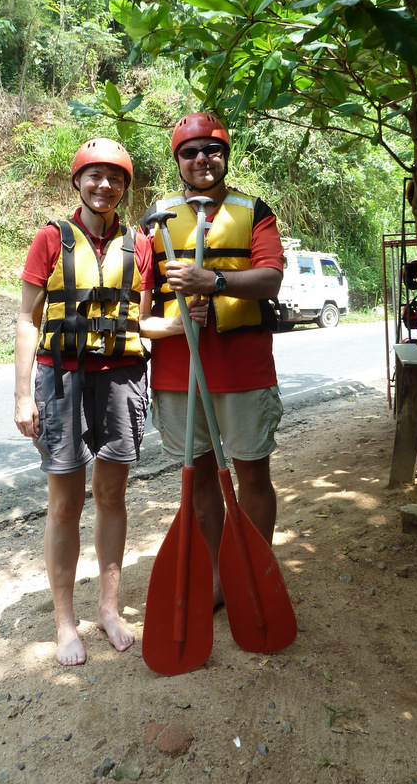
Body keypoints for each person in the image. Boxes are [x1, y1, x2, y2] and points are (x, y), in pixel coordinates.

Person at [14, 138, 153, 667]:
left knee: (112, 495)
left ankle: (109, 611)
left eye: (115, 178)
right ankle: (64, 622)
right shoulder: (52, 238)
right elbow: (27, 320)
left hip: (121, 379)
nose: (104, 185)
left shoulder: (139, 244)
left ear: (125, 188)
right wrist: (23, 395)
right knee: (65, 504)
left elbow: (142, 320)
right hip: (62, 379)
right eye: (94, 175)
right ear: (77, 181)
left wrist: (190, 320)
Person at [140, 113, 284, 608]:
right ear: (177, 160)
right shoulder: (155, 219)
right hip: (178, 372)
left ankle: (254, 571)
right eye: (190, 151)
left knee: (252, 475)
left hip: (243, 369)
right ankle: (219, 575)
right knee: (200, 477)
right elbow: (140, 302)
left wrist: (214, 282)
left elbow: (271, 279)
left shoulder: (254, 211)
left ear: (225, 156)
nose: (202, 158)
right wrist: (171, 321)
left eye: (212, 149)